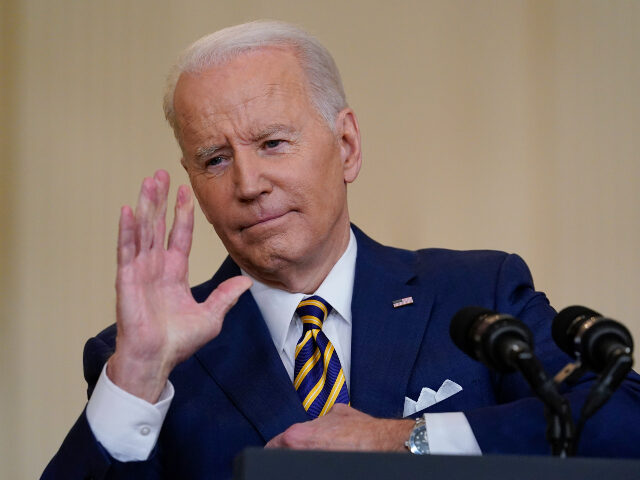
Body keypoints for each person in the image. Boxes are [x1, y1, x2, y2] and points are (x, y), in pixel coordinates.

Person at [42, 20, 640, 480]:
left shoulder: (476, 292)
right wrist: (138, 377)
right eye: (215, 159)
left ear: (347, 144)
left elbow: (621, 422)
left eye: (273, 143)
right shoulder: (148, 363)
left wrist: (404, 439)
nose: (248, 185)